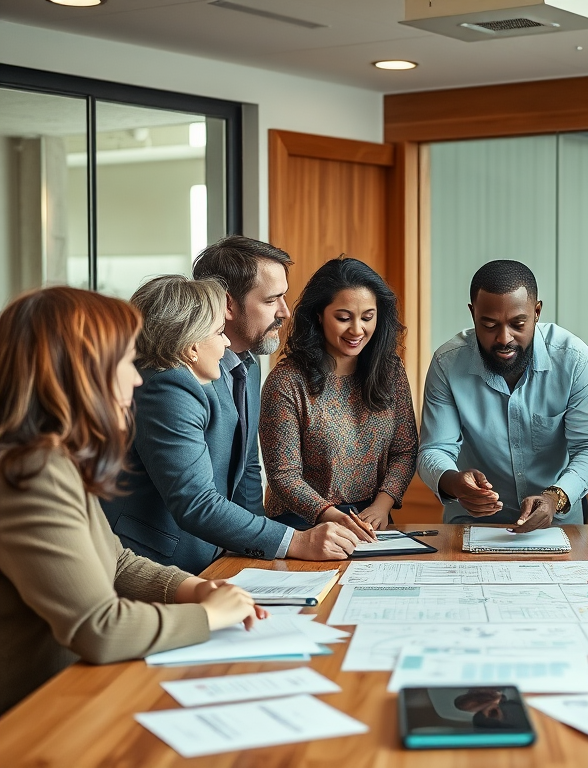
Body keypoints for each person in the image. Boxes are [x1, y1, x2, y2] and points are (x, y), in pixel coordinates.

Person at [0, 287, 266, 715]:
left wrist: (192, 588)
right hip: (36, 713)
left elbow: (116, 561)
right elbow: (98, 628)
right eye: (125, 362)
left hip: (75, 692)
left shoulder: (56, 457)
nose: (138, 378)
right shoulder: (32, 472)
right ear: (81, 370)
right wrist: (209, 616)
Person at [103, 246, 367, 575]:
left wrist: (255, 555)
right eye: (271, 300)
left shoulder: (248, 363)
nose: (285, 311)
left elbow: (246, 471)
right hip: (157, 562)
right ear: (229, 304)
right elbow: (195, 501)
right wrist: (293, 542)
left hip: (218, 556)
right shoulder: (170, 383)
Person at [418, 259, 588, 530]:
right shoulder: (447, 364)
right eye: (489, 325)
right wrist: (453, 482)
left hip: (556, 522)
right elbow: (434, 449)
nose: (504, 338)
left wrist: (555, 497)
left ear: (537, 312)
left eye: (518, 324)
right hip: (473, 523)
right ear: (473, 314)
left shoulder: (574, 360)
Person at [260, 257, 418, 531]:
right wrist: (332, 516)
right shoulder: (287, 381)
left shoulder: (390, 370)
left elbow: (404, 450)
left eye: (367, 317)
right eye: (344, 318)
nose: (357, 330)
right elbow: (284, 476)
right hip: (301, 522)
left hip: (372, 517)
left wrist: (382, 505)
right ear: (319, 315)